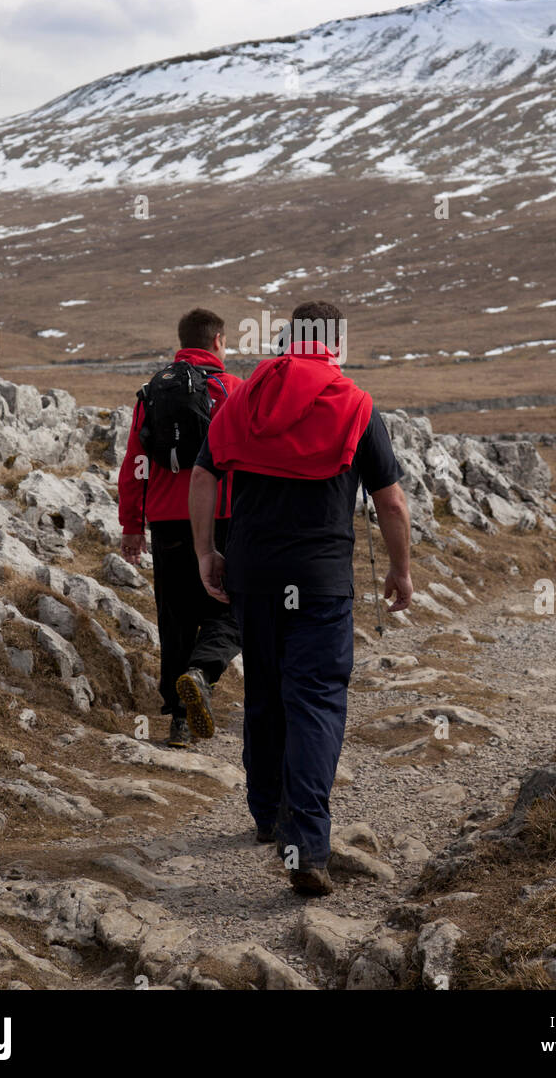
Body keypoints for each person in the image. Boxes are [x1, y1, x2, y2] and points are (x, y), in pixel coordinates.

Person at [189, 300, 411, 896]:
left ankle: (265, 812)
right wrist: (401, 570)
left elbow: (204, 474)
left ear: (289, 339)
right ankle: (305, 844)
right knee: (314, 701)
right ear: (334, 343)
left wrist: (206, 552)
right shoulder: (356, 405)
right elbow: (389, 501)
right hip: (318, 583)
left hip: (254, 576)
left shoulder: (242, 398)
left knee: (265, 692)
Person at [118, 307, 242, 748]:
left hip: (168, 517)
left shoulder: (153, 391)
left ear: (182, 341)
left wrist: (132, 523)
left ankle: (179, 722)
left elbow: (135, 461)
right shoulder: (233, 389)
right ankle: (202, 672)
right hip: (224, 516)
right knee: (231, 609)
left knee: (175, 618)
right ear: (218, 342)